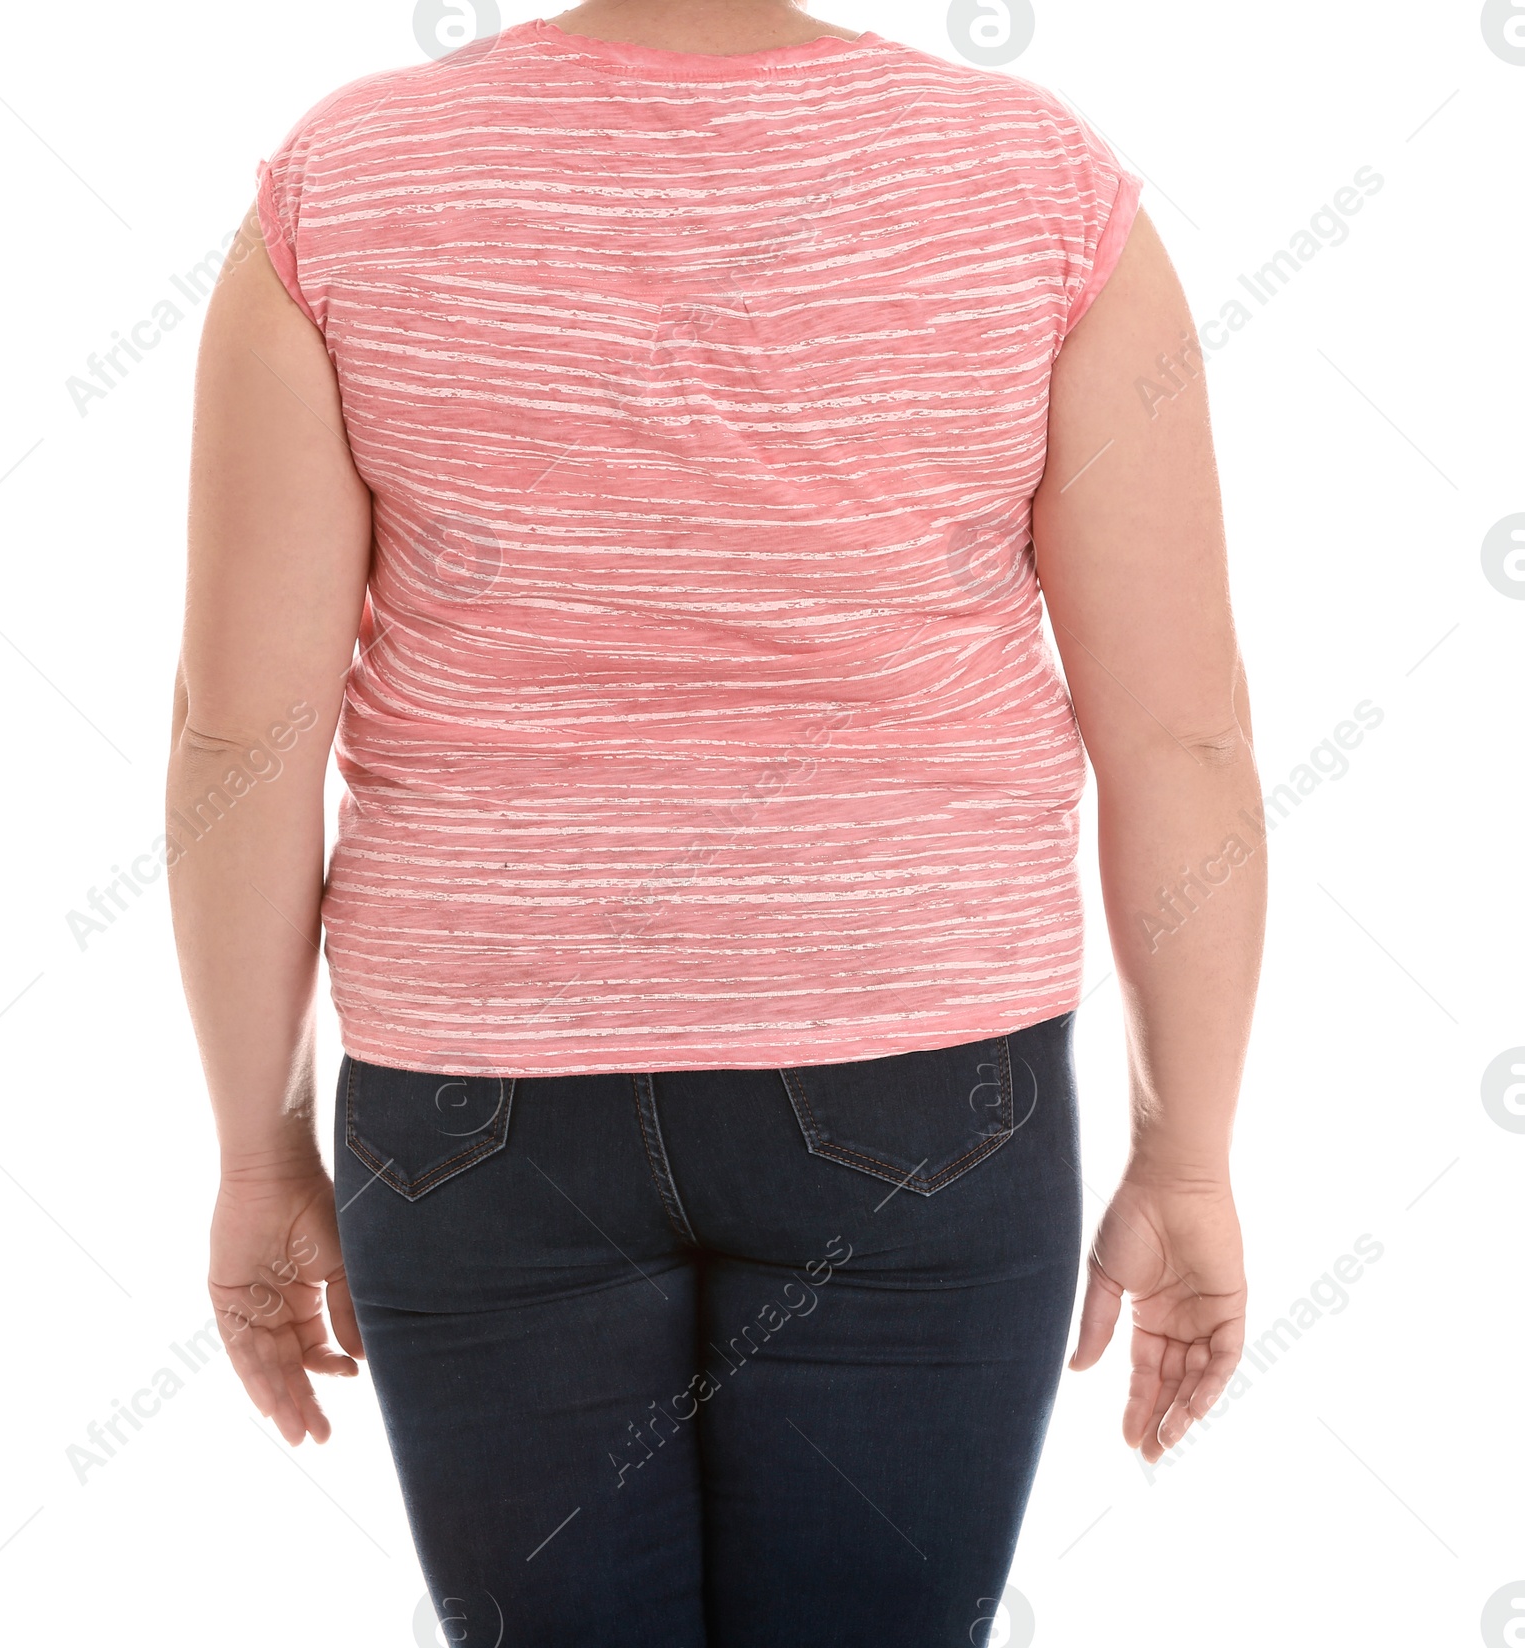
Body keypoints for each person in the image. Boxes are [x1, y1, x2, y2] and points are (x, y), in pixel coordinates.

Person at [167, 2, 1264, 1642]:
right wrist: (1186, 1151)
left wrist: (260, 1145)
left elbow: (242, 734)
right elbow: (1178, 733)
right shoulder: (1038, 190)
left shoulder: (345, 189)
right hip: (922, 1091)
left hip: (477, 1103)